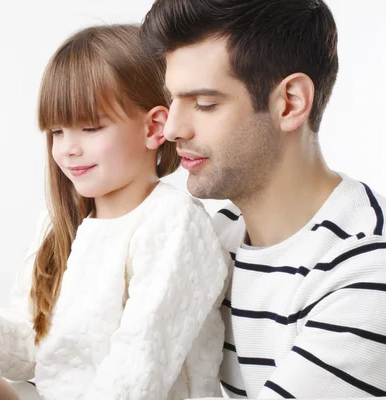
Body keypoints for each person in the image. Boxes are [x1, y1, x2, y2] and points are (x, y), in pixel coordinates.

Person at [0, 24, 228, 400]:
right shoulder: (60, 226)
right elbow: (37, 357)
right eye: (56, 132)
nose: (68, 149)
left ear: (154, 127)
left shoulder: (173, 222)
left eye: (90, 127)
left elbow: (136, 374)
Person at [139, 0, 386, 398]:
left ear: (290, 102)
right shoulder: (214, 237)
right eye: (173, 100)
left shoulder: (366, 274)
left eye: (204, 104)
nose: (172, 128)